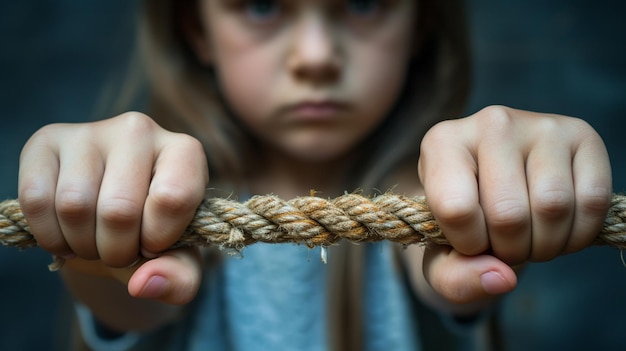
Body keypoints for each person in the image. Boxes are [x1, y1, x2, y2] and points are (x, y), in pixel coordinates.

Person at [17, 0, 612, 350]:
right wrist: (103, 246)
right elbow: (130, 300)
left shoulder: (435, 194)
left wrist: (508, 178)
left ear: (420, 27)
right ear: (196, 30)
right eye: (260, 5)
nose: (316, 56)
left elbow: (432, 245)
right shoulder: (162, 199)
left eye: (363, 3)